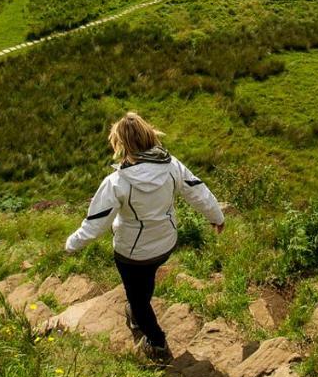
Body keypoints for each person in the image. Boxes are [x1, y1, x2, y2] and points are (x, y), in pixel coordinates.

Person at [65, 112, 225, 362]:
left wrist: (71, 245)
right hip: (165, 243)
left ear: (121, 143)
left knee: (137, 298)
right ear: (150, 134)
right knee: (146, 279)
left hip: (131, 252)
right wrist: (217, 216)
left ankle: (156, 341)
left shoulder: (117, 182)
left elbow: (95, 223)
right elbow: (198, 192)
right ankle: (139, 309)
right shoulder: (172, 166)